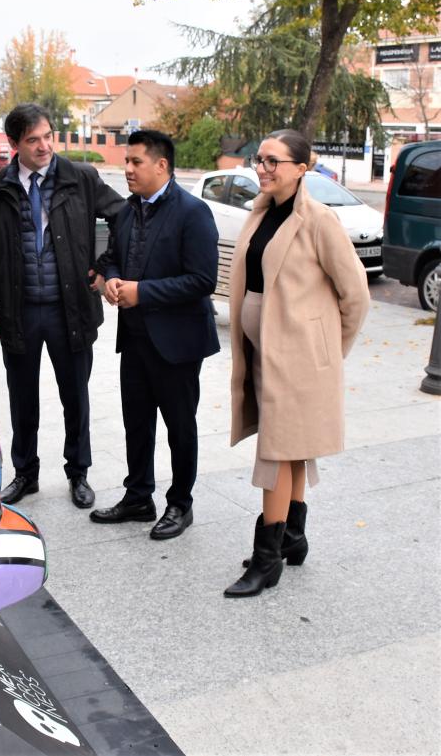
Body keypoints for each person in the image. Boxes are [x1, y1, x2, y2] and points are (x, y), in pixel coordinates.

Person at [224, 129, 369, 597]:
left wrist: (325, 351)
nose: (262, 168)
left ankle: (267, 560)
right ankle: (293, 536)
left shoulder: (319, 220)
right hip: (264, 353)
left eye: (274, 162)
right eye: (259, 160)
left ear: (301, 169)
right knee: (293, 447)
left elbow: (357, 296)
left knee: (276, 452)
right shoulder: (262, 211)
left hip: (299, 359)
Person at [0, 103, 124, 509]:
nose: (44, 146)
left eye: (47, 136)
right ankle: (26, 473)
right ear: (13, 144)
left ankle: (78, 473)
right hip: (19, 311)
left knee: (75, 395)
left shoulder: (81, 178)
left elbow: (122, 216)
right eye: (32, 140)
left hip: (70, 308)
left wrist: (103, 266)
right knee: (22, 397)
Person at [90, 129, 219, 540]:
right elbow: (111, 259)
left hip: (178, 343)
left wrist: (141, 292)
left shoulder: (193, 212)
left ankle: (181, 503)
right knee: (137, 423)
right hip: (136, 338)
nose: (126, 169)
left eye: (135, 162)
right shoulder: (127, 212)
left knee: (180, 426)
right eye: (126, 161)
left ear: (161, 165)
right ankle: (138, 497)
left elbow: (202, 280)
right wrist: (111, 280)